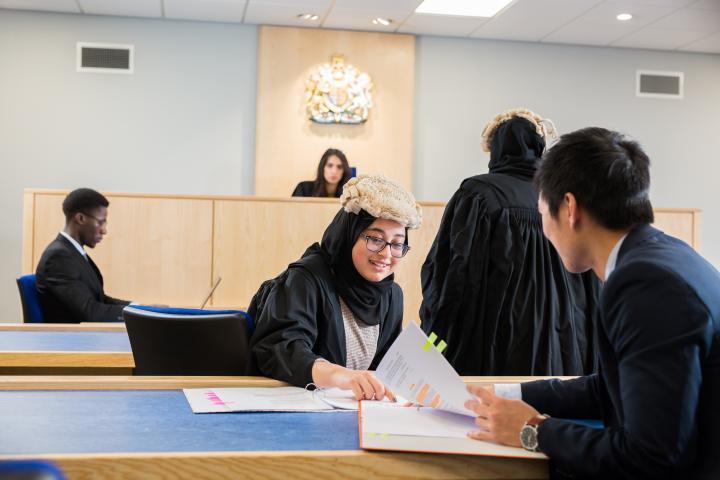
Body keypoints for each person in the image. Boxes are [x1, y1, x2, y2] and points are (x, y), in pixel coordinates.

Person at [465, 127, 720, 479]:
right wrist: (504, 393)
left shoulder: (646, 285)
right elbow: (611, 387)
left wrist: (532, 430)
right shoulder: (664, 256)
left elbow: (652, 456)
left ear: (569, 208)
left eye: (542, 214)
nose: (544, 230)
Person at [420, 108, 600, 376]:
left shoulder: (478, 194)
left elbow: (451, 277)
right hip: (566, 347)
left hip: (497, 350)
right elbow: (593, 284)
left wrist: (431, 344)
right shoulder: (566, 200)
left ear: (495, 149)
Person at [250, 174, 422, 400]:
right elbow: (283, 349)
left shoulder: (391, 295)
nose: (386, 254)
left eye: (397, 243)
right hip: (294, 411)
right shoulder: (305, 279)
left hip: (352, 414)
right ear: (349, 234)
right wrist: (341, 376)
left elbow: (384, 367)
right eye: (375, 239)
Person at [36, 188, 131, 323]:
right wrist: (137, 315)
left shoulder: (73, 252)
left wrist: (139, 308)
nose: (104, 230)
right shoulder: (58, 258)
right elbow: (91, 312)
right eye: (100, 222)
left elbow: (100, 299)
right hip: (69, 341)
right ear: (80, 218)